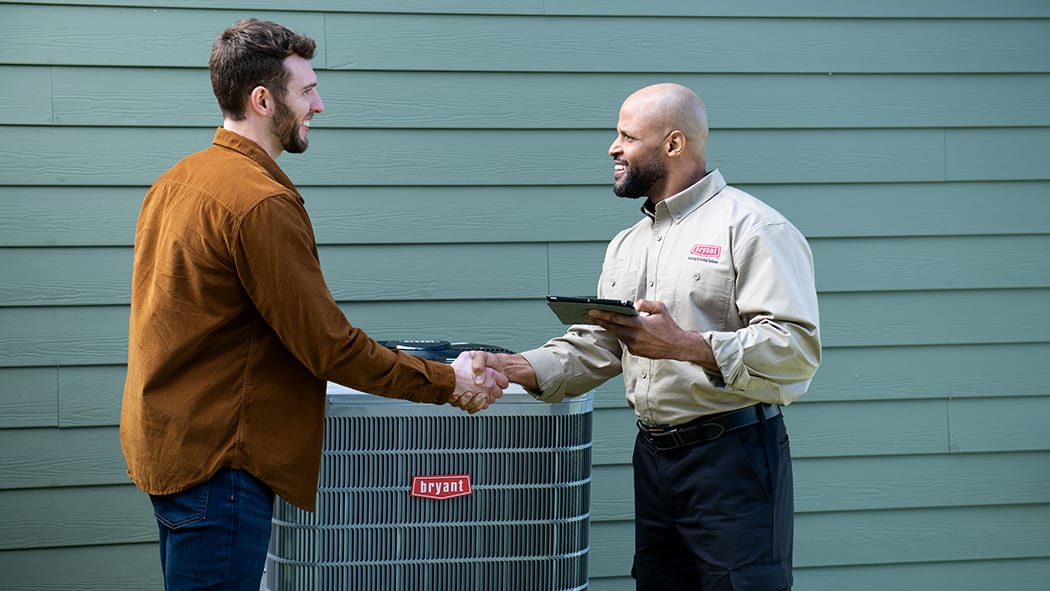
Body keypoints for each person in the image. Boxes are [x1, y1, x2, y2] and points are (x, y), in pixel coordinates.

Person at [119, 18, 505, 590]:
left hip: (170, 451)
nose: (319, 105)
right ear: (262, 99)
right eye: (305, 91)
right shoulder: (259, 202)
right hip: (222, 465)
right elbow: (326, 346)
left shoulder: (177, 181)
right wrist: (446, 381)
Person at [476, 83, 821, 590]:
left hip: (734, 458)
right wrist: (514, 368)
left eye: (626, 136)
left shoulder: (754, 228)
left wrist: (683, 345)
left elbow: (795, 352)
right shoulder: (626, 244)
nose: (613, 149)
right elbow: (603, 345)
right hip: (655, 458)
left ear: (674, 144)